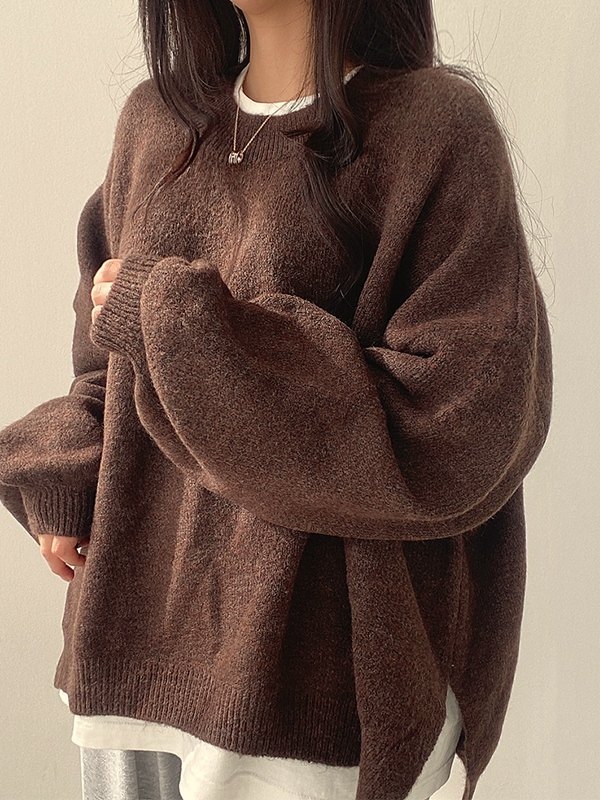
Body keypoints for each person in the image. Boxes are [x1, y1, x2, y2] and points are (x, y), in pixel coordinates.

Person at [0, 0, 553, 799]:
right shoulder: (155, 123)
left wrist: (178, 321)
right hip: (128, 653)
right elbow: (105, 370)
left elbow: (459, 426)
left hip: (310, 692)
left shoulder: (432, 128)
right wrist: (66, 478)